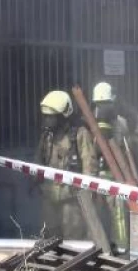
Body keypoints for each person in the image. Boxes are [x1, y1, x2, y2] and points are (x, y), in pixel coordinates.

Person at [35, 90, 96, 240]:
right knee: (49, 239)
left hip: (72, 200)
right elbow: (39, 161)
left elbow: (90, 165)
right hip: (49, 197)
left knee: (72, 240)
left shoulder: (80, 134)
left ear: (63, 116)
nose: (47, 120)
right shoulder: (47, 135)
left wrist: (87, 195)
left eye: (51, 117)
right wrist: (35, 183)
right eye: (46, 116)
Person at [90, 81, 130, 250]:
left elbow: (125, 147)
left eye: (105, 105)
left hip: (114, 176)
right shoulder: (89, 123)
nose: (103, 109)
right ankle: (98, 246)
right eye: (101, 105)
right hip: (97, 175)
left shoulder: (120, 123)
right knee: (97, 215)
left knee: (118, 214)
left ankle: (120, 247)